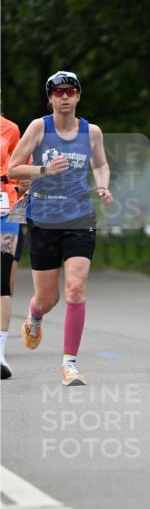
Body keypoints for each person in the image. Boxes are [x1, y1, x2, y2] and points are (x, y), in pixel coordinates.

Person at [8, 71, 112, 386]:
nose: (64, 97)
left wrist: (104, 186)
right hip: (43, 219)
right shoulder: (40, 127)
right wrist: (43, 169)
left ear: (78, 96)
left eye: (70, 91)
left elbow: (100, 164)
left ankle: (70, 365)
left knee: (76, 288)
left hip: (79, 218)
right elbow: (13, 167)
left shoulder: (91, 132)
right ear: (50, 98)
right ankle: (35, 316)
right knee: (48, 299)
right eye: (58, 92)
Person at [0, 113, 29, 380]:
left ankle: (0, 352)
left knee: (5, 278)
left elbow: (23, 173)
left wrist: (22, 196)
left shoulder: (11, 129)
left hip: (7, 214)